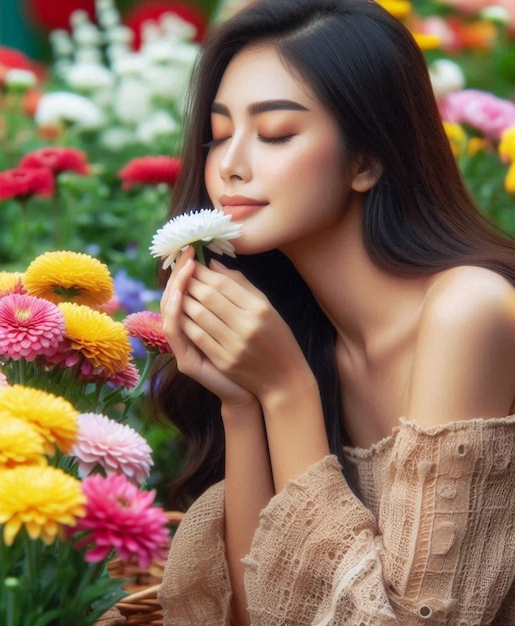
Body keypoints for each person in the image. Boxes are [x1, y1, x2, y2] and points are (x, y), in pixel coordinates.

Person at [150, 0, 515, 623]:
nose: (231, 164)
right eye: (218, 133)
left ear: (367, 161)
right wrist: (244, 404)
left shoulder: (467, 312)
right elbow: (254, 612)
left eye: (276, 134)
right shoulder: (297, 329)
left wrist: (286, 391)